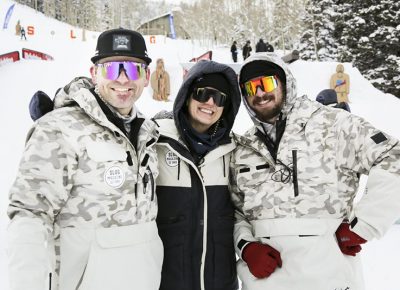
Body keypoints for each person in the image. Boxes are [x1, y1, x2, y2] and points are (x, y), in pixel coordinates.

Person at [7, 28, 163, 290]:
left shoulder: (149, 133)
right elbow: (29, 217)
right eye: (112, 69)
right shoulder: (59, 128)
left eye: (134, 69)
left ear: (147, 77)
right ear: (94, 74)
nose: (123, 80)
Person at [229, 52, 400, 290]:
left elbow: (393, 154)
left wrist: (365, 225)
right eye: (249, 88)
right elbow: (234, 210)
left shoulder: (332, 125)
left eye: (266, 83)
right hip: (265, 282)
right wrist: (247, 246)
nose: (258, 93)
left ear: (285, 83)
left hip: (329, 279)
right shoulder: (242, 148)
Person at [153, 60, 241, 290]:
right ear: (187, 95)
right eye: (203, 93)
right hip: (167, 282)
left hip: (220, 283)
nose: (210, 102)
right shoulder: (154, 142)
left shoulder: (235, 151)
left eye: (220, 97)